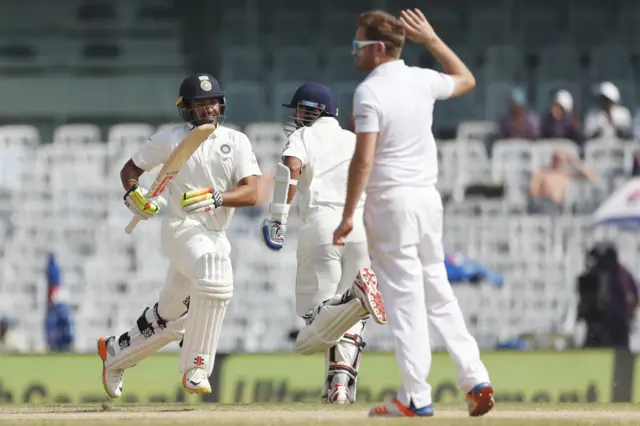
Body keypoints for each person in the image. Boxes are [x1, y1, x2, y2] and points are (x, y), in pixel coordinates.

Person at [333, 9, 493, 417]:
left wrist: (350, 213)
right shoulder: (422, 79)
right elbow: (466, 79)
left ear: (378, 48)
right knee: (437, 289)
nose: (354, 52)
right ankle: (475, 377)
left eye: (359, 45)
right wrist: (433, 40)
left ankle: (415, 396)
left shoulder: (370, 92)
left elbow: (362, 162)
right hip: (427, 201)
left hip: (391, 202)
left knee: (404, 297)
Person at [97, 72, 261, 398]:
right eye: (201, 105)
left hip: (216, 234)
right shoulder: (169, 139)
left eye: (213, 102)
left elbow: (252, 192)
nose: (210, 110)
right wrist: (135, 195)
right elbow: (130, 171)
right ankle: (196, 365)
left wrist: (218, 197)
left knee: (171, 318)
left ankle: (115, 353)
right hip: (180, 228)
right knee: (216, 275)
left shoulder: (237, 141)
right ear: (186, 109)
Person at [261, 82, 386, 404]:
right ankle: (339, 386)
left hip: (321, 226)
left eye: (302, 110)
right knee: (351, 316)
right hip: (357, 228)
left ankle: (353, 298)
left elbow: (289, 169)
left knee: (315, 319)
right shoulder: (354, 140)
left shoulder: (303, 136)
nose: (298, 116)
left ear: (316, 111)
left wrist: (277, 218)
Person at [528, 149, 596, 214]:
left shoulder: (566, 175)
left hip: (563, 208)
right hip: (545, 206)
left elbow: (591, 177)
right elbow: (533, 193)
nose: (558, 162)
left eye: (561, 160)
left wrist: (572, 161)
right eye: (556, 158)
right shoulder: (542, 173)